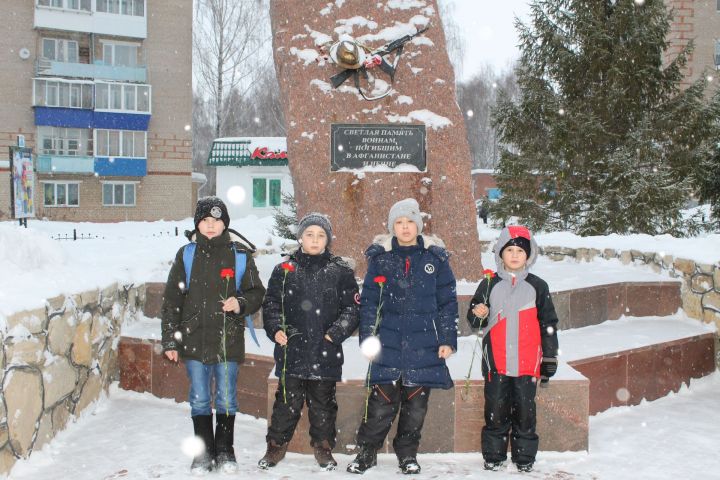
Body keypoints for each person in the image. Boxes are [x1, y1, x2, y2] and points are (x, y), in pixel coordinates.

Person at [347, 198, 458, 475]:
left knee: (416, 407)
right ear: (391, 227)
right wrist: (368, 338)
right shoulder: (380, 260)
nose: (405, 227)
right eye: (399, 222)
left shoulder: (435, 260)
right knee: (380, 404)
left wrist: (446, 340)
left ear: (418, 226)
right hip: (388, 343)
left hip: (425, 346)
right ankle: (367, 451)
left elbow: (448, 303)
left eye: (410, 222)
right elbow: (370, 302)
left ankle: (407, 454)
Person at [161, 196, 266, 475]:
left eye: (216, 221)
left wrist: (240, 303)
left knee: (227, 398)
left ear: (225, 224)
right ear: (197, 224)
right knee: (198, 398)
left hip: (227, 339)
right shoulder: (186, 255)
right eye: (205, 220)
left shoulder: (239, 255)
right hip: (194, 339)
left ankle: (225, 450)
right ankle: (203, 453)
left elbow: (257, 292)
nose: (210, 226)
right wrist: (170, 340)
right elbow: (172, 301)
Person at [259, 213, 359, 471]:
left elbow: (352, 309)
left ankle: (323, 447)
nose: (315, 240)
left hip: (325, 351)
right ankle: (275, 446)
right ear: (300, 237)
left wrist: (335, 333)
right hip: (292, 349)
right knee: (286, 403)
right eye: (310, 234)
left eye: (321, 235)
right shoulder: (284, 270)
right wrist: (277, 329)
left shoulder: (341, 272)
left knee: (323, 404)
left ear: (328, 239)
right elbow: (271, 305)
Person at [466, 225, 559, 473]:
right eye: (510, 250)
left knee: (525, 413)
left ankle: (525, 457)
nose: (515, 255)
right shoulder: (489, 284)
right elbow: (474, 320)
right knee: (495, 410)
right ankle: (494, 456)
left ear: (529, 255)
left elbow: (549, 323)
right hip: (497, 362)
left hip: (527, 363)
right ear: (500, 253)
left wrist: (549, 357)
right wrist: (479, 313)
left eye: (520, 250)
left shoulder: (538, 286)